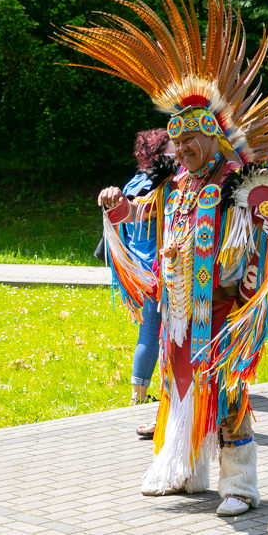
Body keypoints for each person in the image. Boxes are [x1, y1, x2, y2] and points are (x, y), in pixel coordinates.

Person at [62, 0, 268, 517]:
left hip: (225, 306)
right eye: (176, 141)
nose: (181, 150)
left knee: (228, 395)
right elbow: (141, 217)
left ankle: (240, 486)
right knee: (177, 385)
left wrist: (267, 222)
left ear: (213, 137)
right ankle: (180, 468)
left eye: (191, 140)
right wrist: (115, 206)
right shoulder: (173, 184)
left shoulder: (235, 181)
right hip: (180, 307)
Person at [112, 129, 176, 441]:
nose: (178, 148)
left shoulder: (134, 182)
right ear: (159, 151)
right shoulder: (161, 183)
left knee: (148, 330)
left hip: (138, 265)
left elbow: (124, 224)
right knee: (156, 331)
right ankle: (141, 396)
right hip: (159, 267)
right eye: (171, 144)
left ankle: (139, 391)